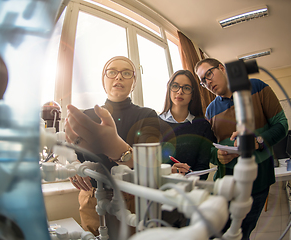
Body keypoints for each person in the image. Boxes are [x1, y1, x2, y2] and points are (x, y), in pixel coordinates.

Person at [65, 56, 160, 237]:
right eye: (112, 72)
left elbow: (147, 164)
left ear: (134, 82)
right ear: (104, 80)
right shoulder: (86, 117)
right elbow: (71, 151)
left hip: (131, 198)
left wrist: (116, 147)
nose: (118, 77)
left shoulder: (147, 115)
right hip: (90, 198)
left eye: (126, 73)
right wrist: (72, 164)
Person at [194, 58, 288, 240]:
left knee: (242, 233)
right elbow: (211, 149)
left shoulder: (257, 87)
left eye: (209, 74)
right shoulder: (210, 111)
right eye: (203, 81)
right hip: (227, 184)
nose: (208, 82)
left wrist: (258, 141)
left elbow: (282, 125)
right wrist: (218, 156)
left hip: (258, 182)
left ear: (222, 68)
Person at [158, 69, 216, 227]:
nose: (180, 91)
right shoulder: (154, 123)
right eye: (175, 86)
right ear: (169, 89)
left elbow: (203, 165)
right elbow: (148, 163)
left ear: (193, 94)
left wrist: (188, 181)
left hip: (191, 195)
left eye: (186, 88)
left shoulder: (202, 125)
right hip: (160, 195)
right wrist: (170, 173)